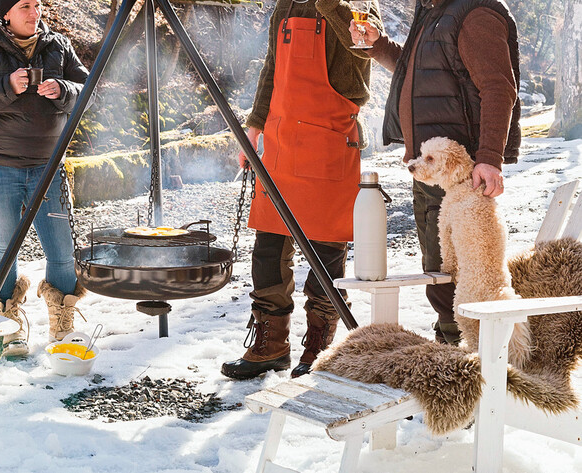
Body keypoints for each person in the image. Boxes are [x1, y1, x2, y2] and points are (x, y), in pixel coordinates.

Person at [221, 0, 383, 380]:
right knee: (268, 248)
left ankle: (318, 348)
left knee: (325, 249)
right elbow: (271, 67)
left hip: (328, 140)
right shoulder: (286, 4)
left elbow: (362, 42)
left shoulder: (360, 3)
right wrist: (255, 124)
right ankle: (270, 345)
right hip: (280, 139)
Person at [350, 0, 520, 344]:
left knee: (464, 270)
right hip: (432, 171)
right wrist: (378, 45)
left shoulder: (475, 14)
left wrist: (489, 157)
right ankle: (452, 346)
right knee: (439, 267)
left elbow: (498, 87)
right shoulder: (433, 13)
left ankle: (467, 353)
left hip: (462, 173)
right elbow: (416, 71)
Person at [0, 0, 91, 357]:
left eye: (38, 4)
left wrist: (64, 90)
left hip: (49, 165)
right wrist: (6, 86)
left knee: (60, 249)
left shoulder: (57, 45)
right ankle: (7, 325)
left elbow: (89, 89)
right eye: (24, 5)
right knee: (3, 248)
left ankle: (62, 326)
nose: (34, 12)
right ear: (6, 12)